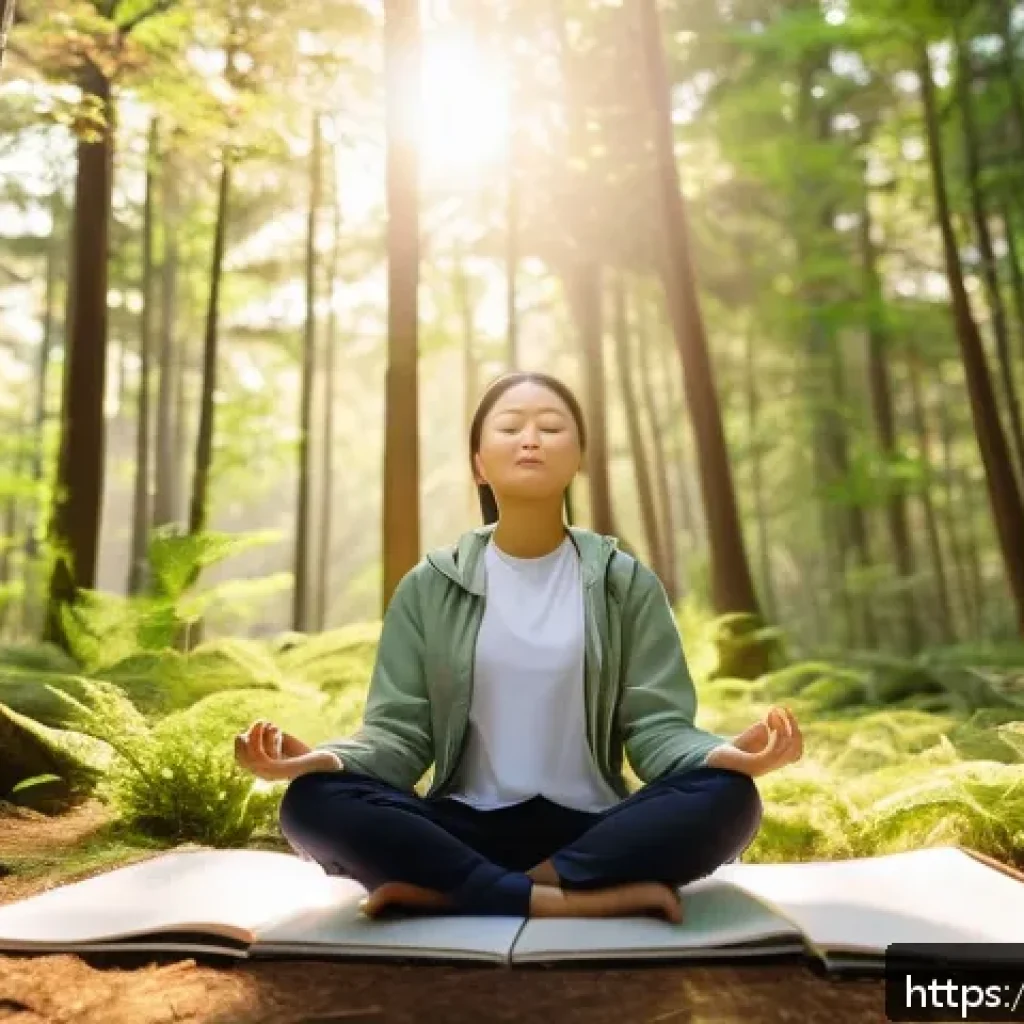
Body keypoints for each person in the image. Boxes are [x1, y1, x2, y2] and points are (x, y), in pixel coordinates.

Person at [234, 370, 803, 922]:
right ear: (479, 465)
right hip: (461, 823)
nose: (531, 438)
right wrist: (327, 760)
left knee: (730, 797)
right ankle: (571, 900)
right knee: (311, 801)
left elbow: (657, 728)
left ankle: (459, 890)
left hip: (593, 825)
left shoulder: (624, 583)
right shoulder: (429, 586)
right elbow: (400, 734)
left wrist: (718, 755)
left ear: (578, 458)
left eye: (551, 427)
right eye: (510, 427)